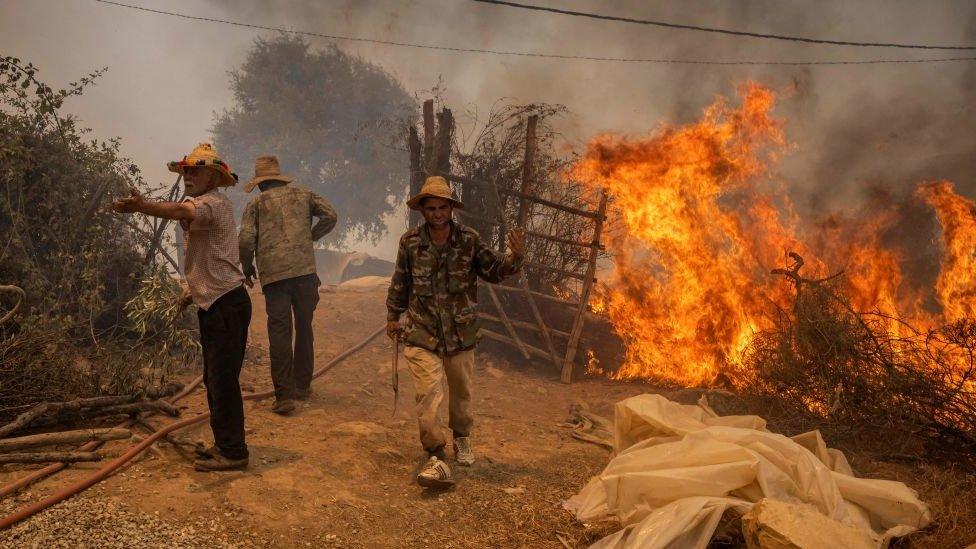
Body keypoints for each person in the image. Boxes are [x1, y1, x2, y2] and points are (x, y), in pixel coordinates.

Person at [113, 143, 251, 471]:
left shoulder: (211, 203)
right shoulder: (207, 203)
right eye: (185, 170)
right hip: (218, 300)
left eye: (195, 170)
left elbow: (181, 212)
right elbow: (212, 255)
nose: (188, 175)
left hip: (226, 305)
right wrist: (193, 291)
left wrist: (143, 206)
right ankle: (225, 445)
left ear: (214, 177)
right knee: (214, 378)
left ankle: (233, 453)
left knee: (222, 380)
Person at [386, 176, 525, 488]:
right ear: (422, 210)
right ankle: (436, 452)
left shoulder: (469, 240)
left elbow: (495, 270)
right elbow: (400, 281)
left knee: (461, 396)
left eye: (442, 207)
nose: (437, 213)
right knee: (428, 395)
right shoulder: (410, 243)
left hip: (461, 335)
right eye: (431, 207)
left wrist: (515, 257)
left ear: (451, 208)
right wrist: (393, 316)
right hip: (423, 333)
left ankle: (462, 438)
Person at [238, 155, 337, 414]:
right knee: (304, 326)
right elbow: (330, 215)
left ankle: (284, 396)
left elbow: (246, 240)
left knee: (280, 332)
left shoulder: (256, 204)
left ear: (260, 183)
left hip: (274, 278)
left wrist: (247, 268)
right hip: (305, 273)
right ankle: (302, 386)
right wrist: (309, 237)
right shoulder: (304, 194)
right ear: (279, 178)